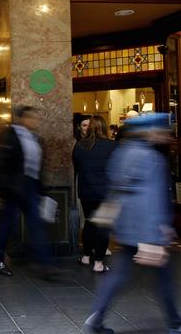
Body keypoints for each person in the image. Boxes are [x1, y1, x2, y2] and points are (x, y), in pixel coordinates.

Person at [83, 113, 181, 334]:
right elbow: (150, 199)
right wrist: (153, 239)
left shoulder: (121, 153)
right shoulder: (152, 159)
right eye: (162, 130)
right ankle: (175, 323)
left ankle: (95, 320)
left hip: (127, 227)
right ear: (151, 132)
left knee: (118, 276)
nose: (166, 135)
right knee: (164, 278)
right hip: (147, 230)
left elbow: (116, 193)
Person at [0, 105, 54, 278]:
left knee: (35, 224)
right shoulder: (9, 135)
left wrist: (41, 187)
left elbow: (37, 165)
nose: (35, 121)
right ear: (22, 118)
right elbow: (2, 163)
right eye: (32, 117)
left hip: (30, 186)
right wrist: (3, 188)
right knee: (7, 224)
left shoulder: (34, 138)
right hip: (13, 187)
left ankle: (44, 263)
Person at [73, 116, 115, 273]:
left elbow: (76, 167)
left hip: (86, 192)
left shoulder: (80, 146)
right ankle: (98, 263)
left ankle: (85, 257)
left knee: (89, 223)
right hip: (106, 193)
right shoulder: (112, 146)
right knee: (103, 227)